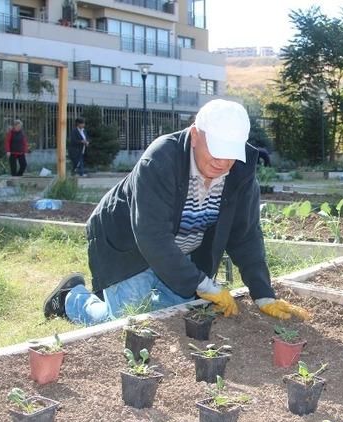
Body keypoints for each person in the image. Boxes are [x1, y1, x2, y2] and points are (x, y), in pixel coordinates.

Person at [43, 99, 311, 325]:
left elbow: (246, 236)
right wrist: (203, 284)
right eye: (216, 150)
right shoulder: (161, 159)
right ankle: (72, 297)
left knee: (179, 315)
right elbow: (151, 236)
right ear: (195, 135)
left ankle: (129, 292)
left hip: (179, 254)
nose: (222, 161)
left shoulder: (239, 173)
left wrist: (263, 294)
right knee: (126, 321)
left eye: (230, 153)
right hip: (127, 246)